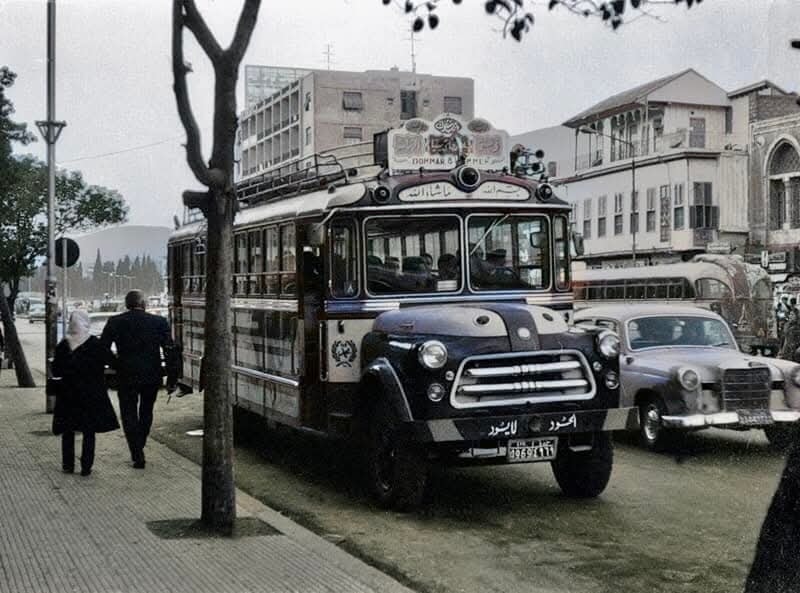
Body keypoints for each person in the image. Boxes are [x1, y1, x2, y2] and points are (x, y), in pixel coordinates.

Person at [101, 290, 177, 469]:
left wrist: (116, 363)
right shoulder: (158, 322)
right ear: (144, 304)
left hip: (125, 374)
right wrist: (172, 377)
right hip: (151, 374)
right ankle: (140, 443)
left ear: (127, 304)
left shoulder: (115, 322)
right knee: (146, 411)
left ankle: (136, 452)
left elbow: (102, 348)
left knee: (128, 413)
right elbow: (170, 350)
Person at [52, 310, 119, 476]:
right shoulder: (96, 344)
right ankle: (86, 466)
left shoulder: (63, 345)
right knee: (89, 430)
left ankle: (68, 465)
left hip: (68, 393)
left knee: (68, 429)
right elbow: (113, 362)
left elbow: (56, 370)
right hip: (91, 392)